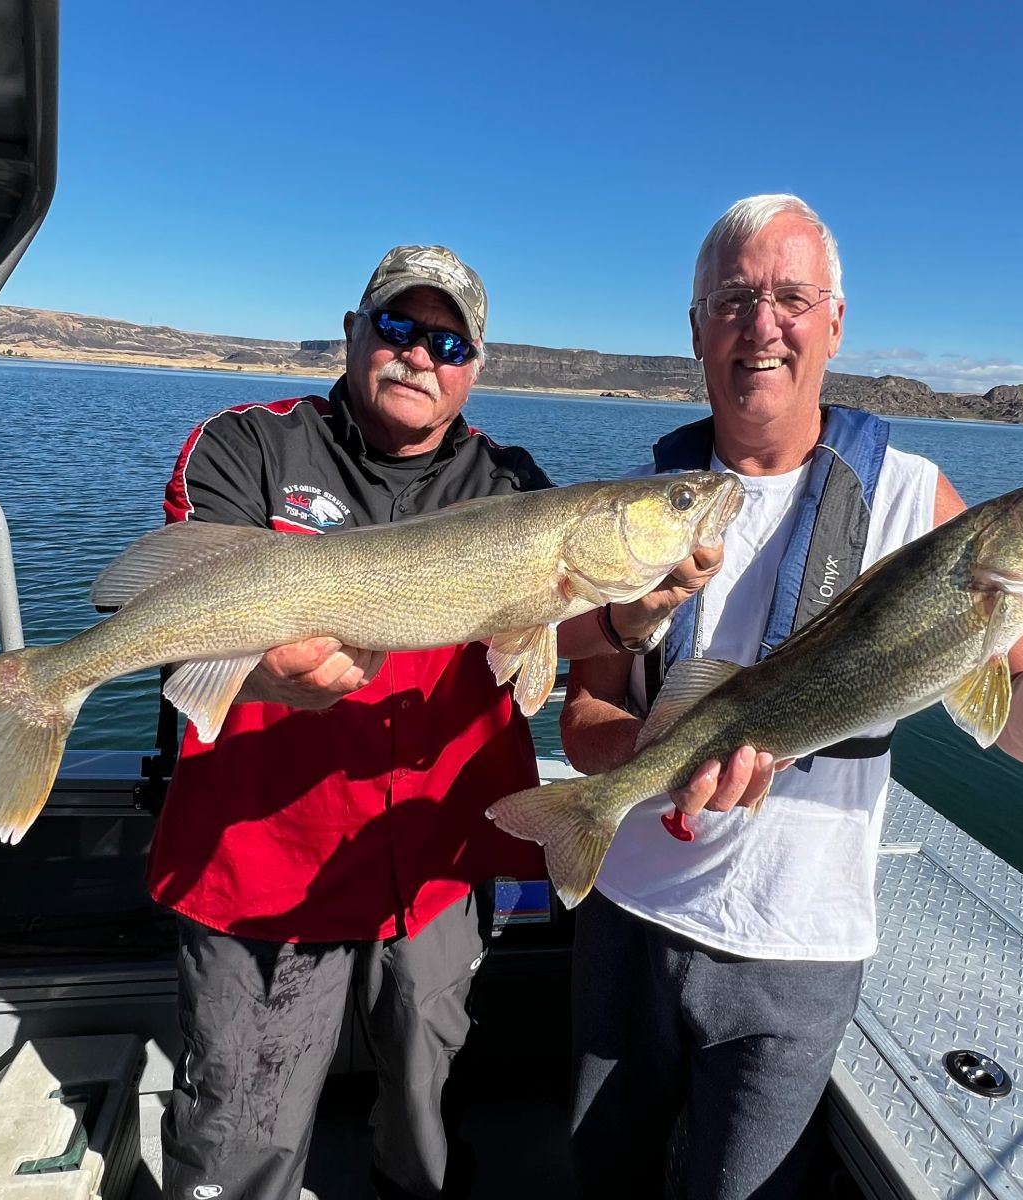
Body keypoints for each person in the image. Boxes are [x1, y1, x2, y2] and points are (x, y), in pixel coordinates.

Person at [559, 195, 1023, 1198]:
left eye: (792, 297)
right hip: (627, 920)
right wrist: (650, 770)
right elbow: (584, 723)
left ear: (835, 323)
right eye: (734, 299)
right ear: (698, 327)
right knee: (605, 1174)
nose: (763, 324)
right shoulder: (637, 505)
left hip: (799, 952)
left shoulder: (917, 501)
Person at [146, 245, 649, 1200]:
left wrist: (628, 615)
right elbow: (171, 616)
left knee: (428, 1125)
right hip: (264, 866)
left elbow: (547, 626)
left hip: (434, 866)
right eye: (398, 328)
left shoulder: (515, 484)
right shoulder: (246, 447)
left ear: (474, 367)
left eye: (448, 341)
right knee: (237, 1135)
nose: (421, 355)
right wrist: (260, 672)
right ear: (351, 333)